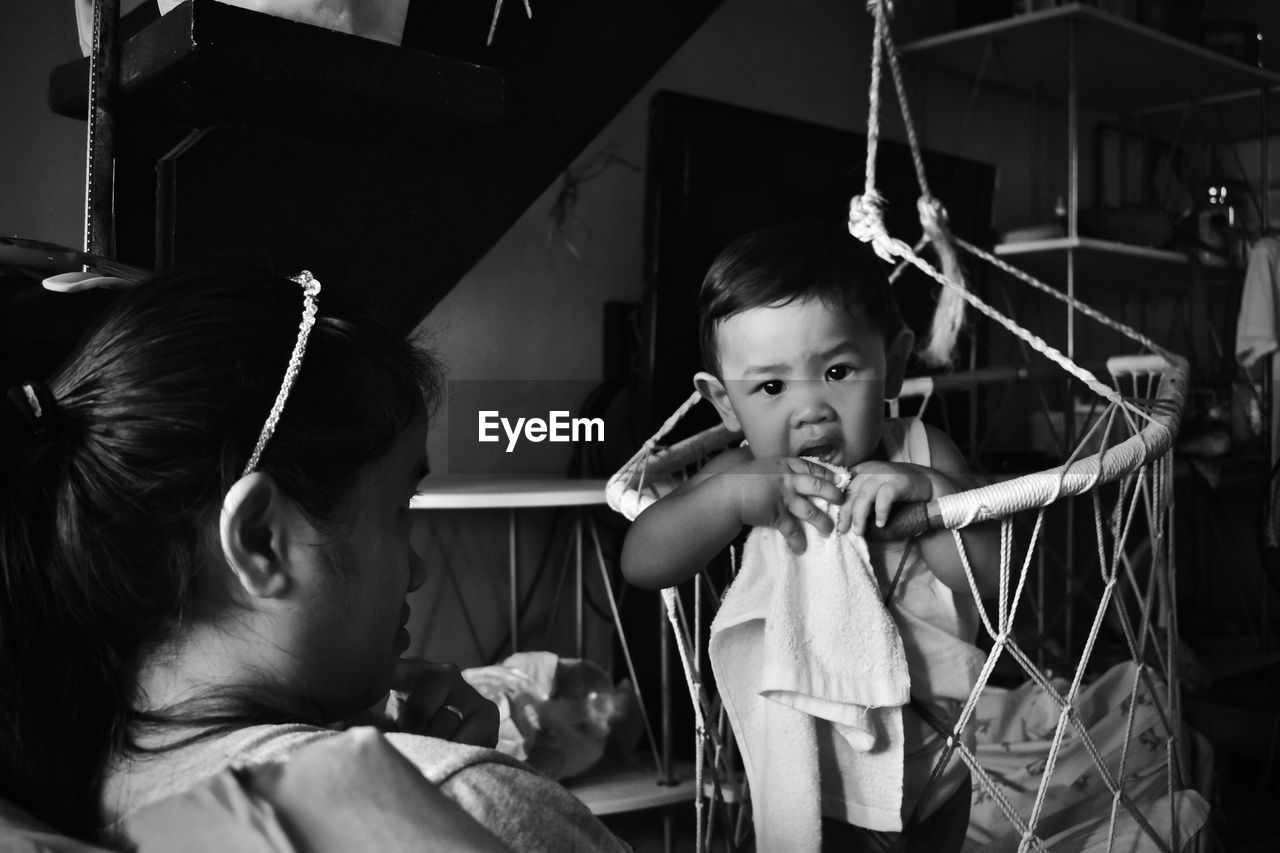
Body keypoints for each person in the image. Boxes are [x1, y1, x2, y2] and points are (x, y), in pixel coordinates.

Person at [0, 266, 627, 851]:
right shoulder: (464, 807)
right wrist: (432, 785)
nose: (418, 569)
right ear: (260, 540)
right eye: (399, 506)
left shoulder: (71, 793)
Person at [620, 221, 1000, 852]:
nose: (811, 408)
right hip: (805, 760)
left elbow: (990, 580)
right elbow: (643, 562)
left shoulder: (923, 450)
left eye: (839, 370)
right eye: (770, 386)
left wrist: (929, 492)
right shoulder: (745, 474)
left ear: (896, 363)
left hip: (935, 753)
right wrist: (729, 499)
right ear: (723, 403)